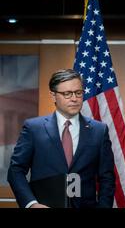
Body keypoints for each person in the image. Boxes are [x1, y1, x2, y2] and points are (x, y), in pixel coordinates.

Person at [8, 69, 115, 208]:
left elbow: (107, 178)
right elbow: (15, 170)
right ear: (53, 96)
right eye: (67, 94)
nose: (74, 98)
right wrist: (32, 204)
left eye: (78, 93)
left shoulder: (99, 131)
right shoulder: (33, 128)